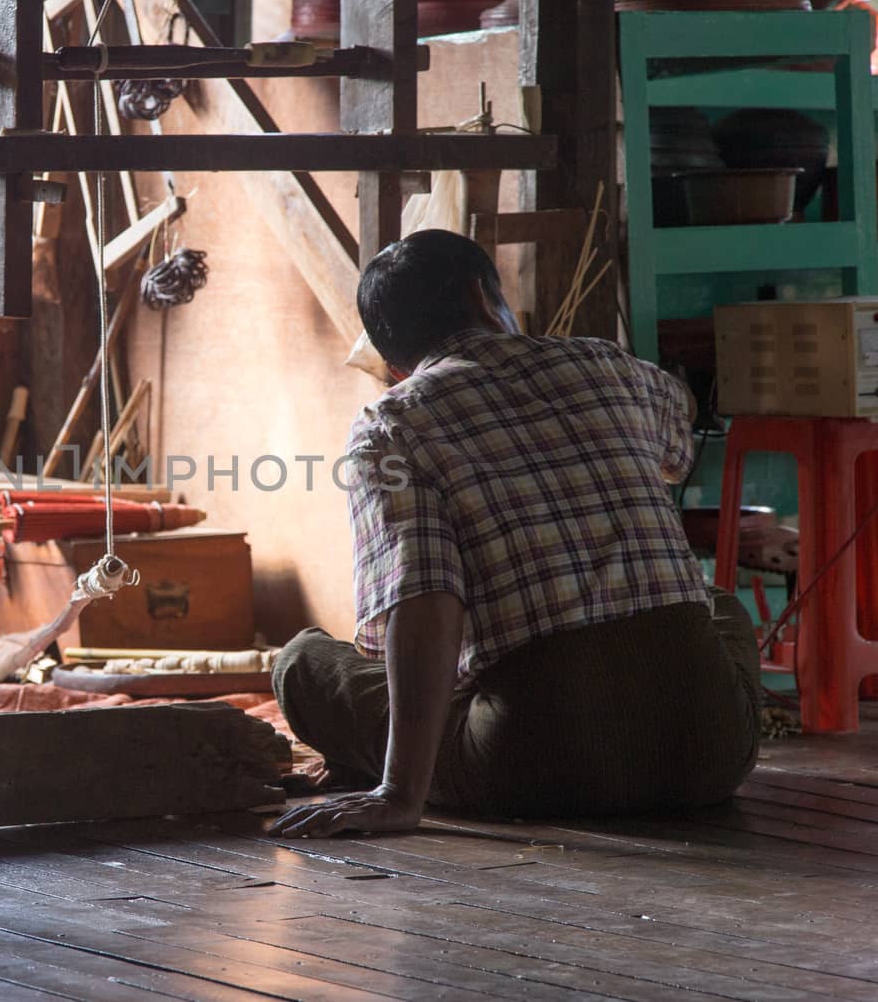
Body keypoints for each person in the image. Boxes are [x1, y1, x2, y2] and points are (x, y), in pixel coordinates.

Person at [270, 229, 759, 839]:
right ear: (484, 296)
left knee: (304, 663)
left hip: (534, 767)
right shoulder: (605, 363)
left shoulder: (389, 425)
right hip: (712, 755)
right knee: (721, 608)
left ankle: (386, 769)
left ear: (391, 360)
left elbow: (423, 601)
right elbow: (678, 439)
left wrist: (400, 794)